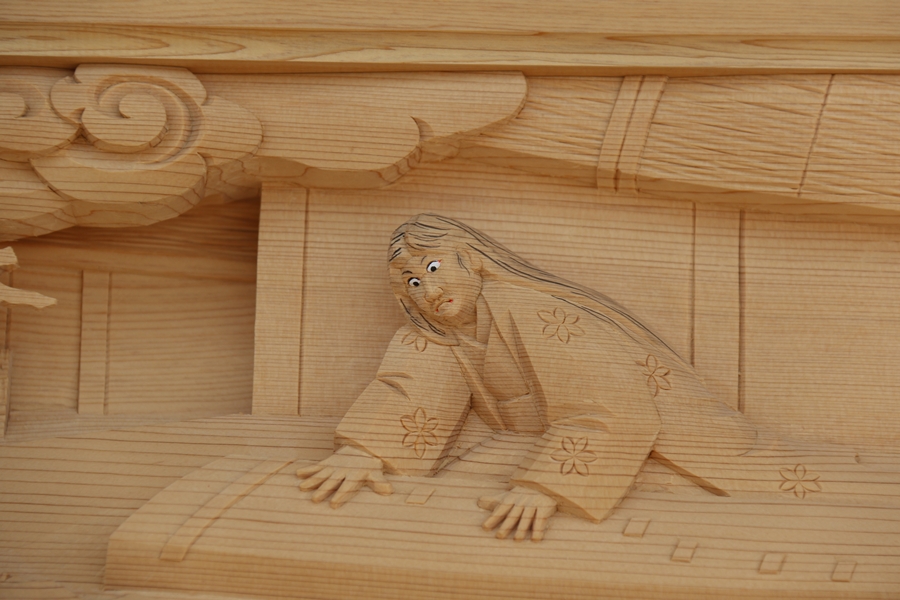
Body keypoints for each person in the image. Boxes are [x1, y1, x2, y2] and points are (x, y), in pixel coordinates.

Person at [296, 214, 856, 541]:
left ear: (474, 259)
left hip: (679, 446)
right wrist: (366, 453)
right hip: (600, 456)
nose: (428, 290)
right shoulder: (439, 334)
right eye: (412, 283)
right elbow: (410, 389)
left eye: (434, 267)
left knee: (817, 500)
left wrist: (546, 486)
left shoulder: (535, 310)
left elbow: (608, 406)